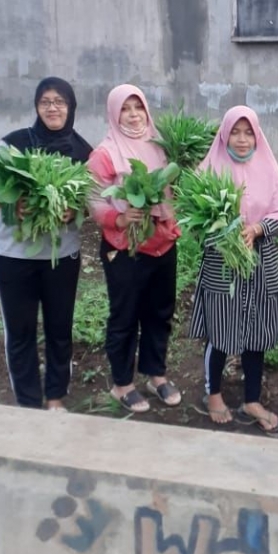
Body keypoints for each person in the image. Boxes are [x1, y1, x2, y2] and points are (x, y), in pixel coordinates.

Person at [0, 77, 92, 410]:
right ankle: (28, 402)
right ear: (36, 106)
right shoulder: (14, 144)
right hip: (15, 255)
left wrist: (77, 209)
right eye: (45, 101)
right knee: (20, 331)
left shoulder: (83, 150)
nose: (52, 107)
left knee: (60, 328)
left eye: (60, 101)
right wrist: (9, 203)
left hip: (61, 256)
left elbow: (93, 197)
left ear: (70, 107)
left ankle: (55, 397)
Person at [190, 106, 278, 434]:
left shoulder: (268, 167)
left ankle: (251, 399)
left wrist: (257, 229)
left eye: (249, 132)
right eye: (236, 131)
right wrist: (225, 232)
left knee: (257, 331)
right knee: (220, 328)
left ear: (257, 135)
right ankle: (214, 394)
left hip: (260, 260)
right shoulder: (209, 169)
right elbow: (197, 217)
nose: (243, 139)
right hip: (222, 260)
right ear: (225, 133)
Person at [88, 85, 182, 414]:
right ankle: (122, 384)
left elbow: (175, 189)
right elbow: (94, 201)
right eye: (125, 108)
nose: (133, 114)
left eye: (137, 107)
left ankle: (156, 374)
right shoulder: (105, 152)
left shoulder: (160, 146)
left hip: (162, 244)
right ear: (115, 114)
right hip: (125, 248)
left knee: (160, 313)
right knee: (125, 316)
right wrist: (119, 216)